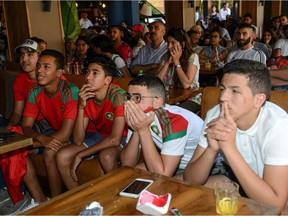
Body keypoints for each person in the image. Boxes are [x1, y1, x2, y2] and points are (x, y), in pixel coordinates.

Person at [183, 59, 288, 211]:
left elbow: (275, 204)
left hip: (278, 190)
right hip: (237, 180)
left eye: (235, 91)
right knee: (188, 193)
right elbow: (191, 180)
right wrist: (211, 149)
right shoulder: (215, 115)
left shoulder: (278, 126)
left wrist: (229, 148)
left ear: (258, 100)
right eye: (222, 88)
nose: (223, 97)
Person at [56, 54, 127, 190]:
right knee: (61, 156)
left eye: (95, 73)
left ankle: (116, 196)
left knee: (106, 155)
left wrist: (81, 154)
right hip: (101, 136)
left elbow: (115, 139)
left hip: (124, 136)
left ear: (107, 79)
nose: (88, 77)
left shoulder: (117, 96)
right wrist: (81, 106)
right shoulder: (86, 95)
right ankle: (78, 200)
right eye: (88, 72)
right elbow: (78, 140)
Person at [120, 75, 203, 179]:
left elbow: (163, 174)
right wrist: (136, 130)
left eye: (137, 98)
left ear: (157, 102)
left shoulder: (175, 121)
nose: (129, 103)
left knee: (165, 185)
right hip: (172, 162)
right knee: (131, 174)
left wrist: (143, 129)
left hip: (200, 167)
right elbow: (127, 164)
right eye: (128, 97)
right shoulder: (141, 116)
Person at [0, 39, 49, 215]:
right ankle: (13, 195)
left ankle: (26, 198)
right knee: (6, 143)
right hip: (28, 123)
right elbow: (17, 112)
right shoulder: (20, 80)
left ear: (40, 57)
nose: (25, 59)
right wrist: (7, 130)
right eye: (21, 55)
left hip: (47, 123)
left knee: (14, 150)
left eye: (30, 55)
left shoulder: (49, 76)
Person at [21, 49, 79, 198]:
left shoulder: (69, 91)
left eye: (46, 67)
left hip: (77, 135)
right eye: (39, 65)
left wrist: (40, 142)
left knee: (49, 152)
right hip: (52, 134)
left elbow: (66, 135)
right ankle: (40, 201)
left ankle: (55, 201)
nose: (39, 70)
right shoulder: (35, 91)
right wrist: (41, 139)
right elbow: (26, 126)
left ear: (59, 72)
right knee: (17, 153)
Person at [157, 28, 201, 113]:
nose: (169, 47)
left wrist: (177, 62)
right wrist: (167, 64)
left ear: (183, 44)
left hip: (191, 98)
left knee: (174, 113)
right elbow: (156, 82)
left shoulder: (192, 57)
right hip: (172, 98)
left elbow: (186, 84)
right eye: (168, 43)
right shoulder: (165, 57)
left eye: (173, 43)